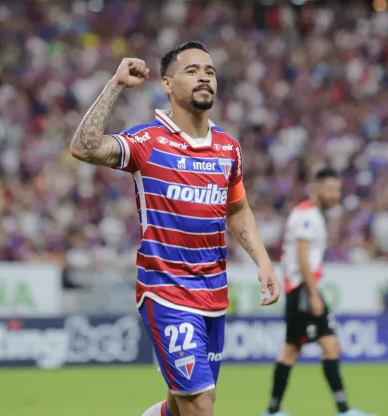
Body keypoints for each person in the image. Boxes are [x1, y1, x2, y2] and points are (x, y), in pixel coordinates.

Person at [69, 41, 283, 416]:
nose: (204, 77)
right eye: (192, 70)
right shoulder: (147, 142)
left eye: (210, 71)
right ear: (167, 84)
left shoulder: (228, 149)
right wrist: (116, 84)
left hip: (213, 294)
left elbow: (237, 209)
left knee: (183, 402)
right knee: (201, 404)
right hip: (165, 289)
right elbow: (84, 147)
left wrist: (263, 261)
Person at [263, 168, 376, 416]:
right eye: (331, 189)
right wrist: (314, 294)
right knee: (315, 347)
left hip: (301, 289)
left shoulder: (311, 215)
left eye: (338, 190)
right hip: (303, 289)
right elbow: (302, 256)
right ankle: (342, 410)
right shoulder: (308, 216)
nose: (336, 195)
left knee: (308, 347)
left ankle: (274, 410)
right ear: (317, 189)